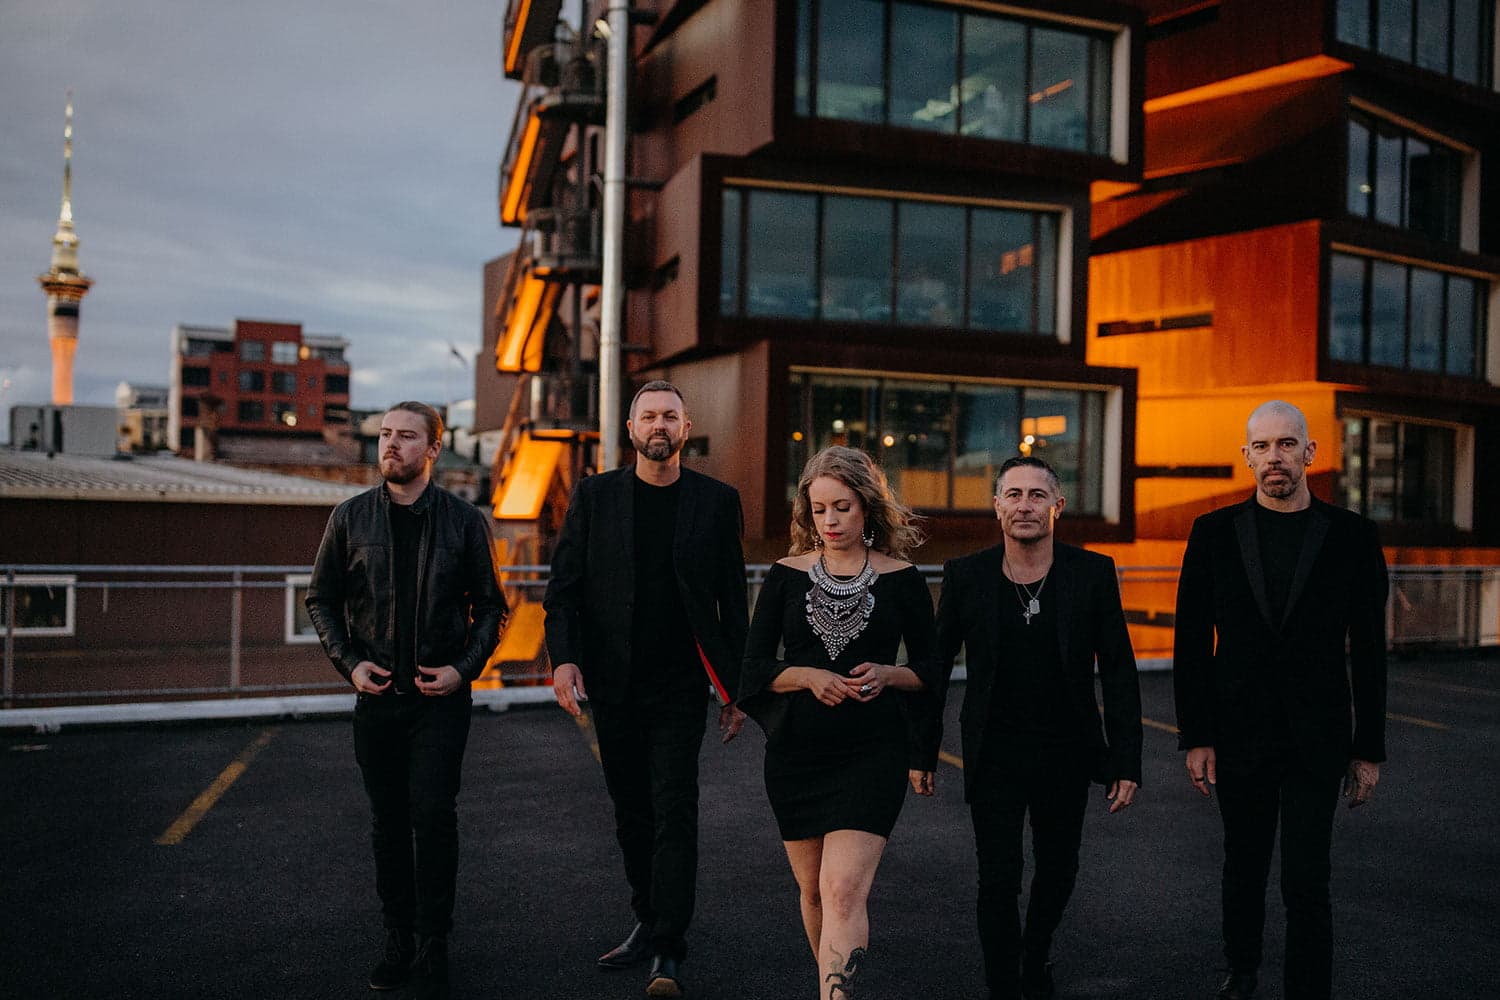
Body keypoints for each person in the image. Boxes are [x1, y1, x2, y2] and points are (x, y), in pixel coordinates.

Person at [1173, 400, 1387, 1000]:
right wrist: (1197, 736)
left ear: (1309, 453)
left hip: (1319, 738)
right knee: (1243, 866)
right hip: (1239, 736)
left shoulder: (1352, 536)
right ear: (1247, 456)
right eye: (1262, 447)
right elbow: (1191, 645)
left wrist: (1369, 748)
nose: (1275, 458)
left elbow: (1370, 648)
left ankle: (1307, 988)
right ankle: (1241, 971)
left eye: (1287, 445)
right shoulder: (1213, 534)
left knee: (1307, 878)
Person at [543, 380, 749, 999]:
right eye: (648, 416)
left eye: (670, 416)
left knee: (674, 810)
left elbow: (732, 604)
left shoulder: (716, 501)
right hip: (613, 681)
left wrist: (735, 690)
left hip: (681, 686)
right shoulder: (596, 496)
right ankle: (647, 917)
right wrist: (564, 661)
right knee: (630, 810)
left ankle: (668, 947)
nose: (659, 425)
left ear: (686, 430)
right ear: (631, 430)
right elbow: (565, 588)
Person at [917, 455, 1141, 1000]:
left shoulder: (1091, 574)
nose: (1024, 505)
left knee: (1059, 870)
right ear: (997, 507)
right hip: (994, 751)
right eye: (1013, 495)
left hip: (1066, 751)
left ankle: (1034, 952)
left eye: (1036, 495)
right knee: (997, 878)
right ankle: (1003, 984)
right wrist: (922, 750)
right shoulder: (966, 576)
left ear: (1057, 507)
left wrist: (1126, 761)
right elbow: (935, 667)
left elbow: (1117, 670)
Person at [305, 401, 508, 1000]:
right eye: (385, 435)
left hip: (440, 701)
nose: (390, 445)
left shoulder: (464, 521)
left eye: (405, 437)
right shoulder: (348, 519)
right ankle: (397, 938)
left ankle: (434, 941)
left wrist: (461, 670)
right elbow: (321, 599)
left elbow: (493, 609)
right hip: (378, 700)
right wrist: (349, 663)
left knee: (433, 817)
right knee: (388, 824)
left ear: (433, 449)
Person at [738, 445, 939, 1000]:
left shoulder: (903, 579)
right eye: (820, 509)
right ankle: (828, 988)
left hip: (873, 752)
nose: (830, 521)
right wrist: (805, 675)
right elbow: (752, 671)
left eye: (843, 508)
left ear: (868, 508)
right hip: (797, 755)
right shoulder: (784, 575)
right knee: (813, 891)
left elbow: (931, 669)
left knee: (844, 889)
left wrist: (887, 674)